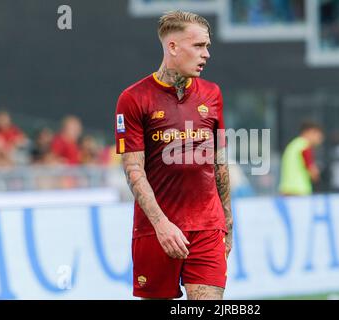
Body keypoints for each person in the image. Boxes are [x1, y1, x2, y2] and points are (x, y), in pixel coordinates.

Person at [115, 11, 232, 300]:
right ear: (173, 47)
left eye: (207, 46)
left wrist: (227, 222)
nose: (206, 54)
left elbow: (219, 162)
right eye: (199, 46)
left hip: (207, 226)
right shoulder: (133, 99)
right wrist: (161, 224)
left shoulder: (212, 94)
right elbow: (133, 171)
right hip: (156, 230)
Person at [279, 121, 324, 196]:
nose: (320, 139)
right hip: (298, 192)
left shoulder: (294, 144)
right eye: (318, 135)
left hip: (286, 189)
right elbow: (313, 172)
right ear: (309, 132)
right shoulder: (304, 146)